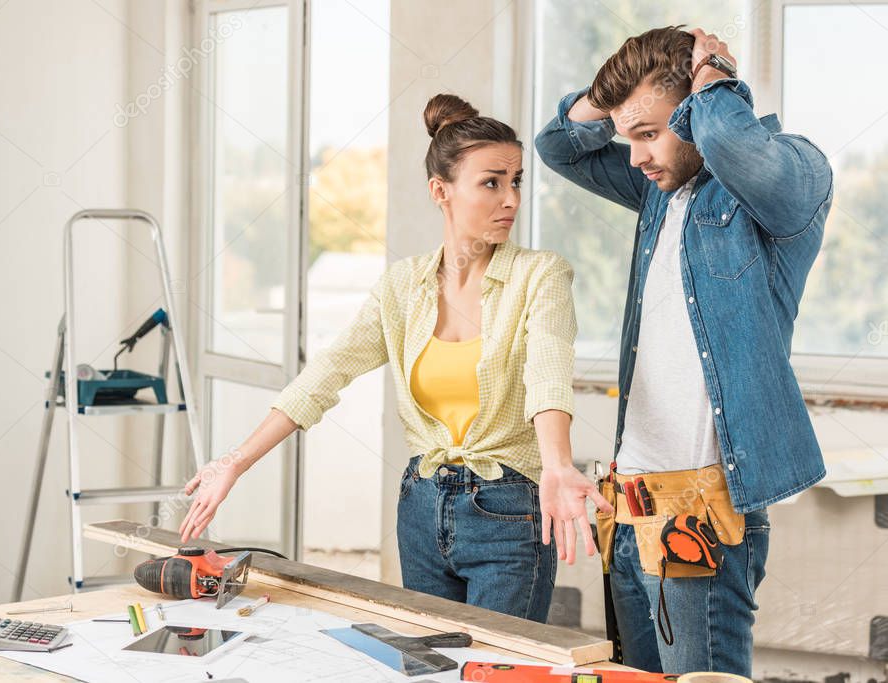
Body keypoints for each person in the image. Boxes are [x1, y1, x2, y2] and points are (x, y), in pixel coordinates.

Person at [179, 93, 612, 622]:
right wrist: (234, 462)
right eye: (491, 182)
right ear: (441, 190)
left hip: (510, 514)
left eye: (516, 180)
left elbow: (548, 370)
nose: (511, 199)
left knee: (496, 670)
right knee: (429, 662)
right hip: (421, 507)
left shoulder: (540, 275)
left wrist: (558, 464)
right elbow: (326, 373)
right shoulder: (402, 286)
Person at [535, 26, 832, 674]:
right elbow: (556, 145)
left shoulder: (786, 182)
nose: (636, 154)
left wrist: (714, 73)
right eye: (627, 136)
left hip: (700, 517)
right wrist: (618, 97)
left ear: (697, 107)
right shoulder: (658, 190)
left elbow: (729, 142)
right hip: (626, 507)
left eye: (648, 132)